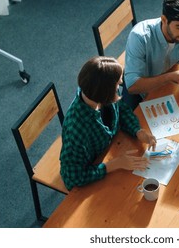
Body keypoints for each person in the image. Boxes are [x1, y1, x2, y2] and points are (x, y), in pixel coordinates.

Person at [60, 56, 157, 191]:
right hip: (93, 169)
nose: (120, 84)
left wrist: (138, 131)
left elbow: (122, 110)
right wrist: (114, 164)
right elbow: (73, 177)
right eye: (118, 84)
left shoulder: (100, 93)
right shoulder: (76, 129)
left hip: (110, 148)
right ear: (104, 93)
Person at [122, 0, 179, 109]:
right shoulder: (139, 37)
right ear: (164, 20)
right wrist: (169, 77)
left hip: (167, 78)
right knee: (131, 124)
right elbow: (132, 86)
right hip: (140, 85)